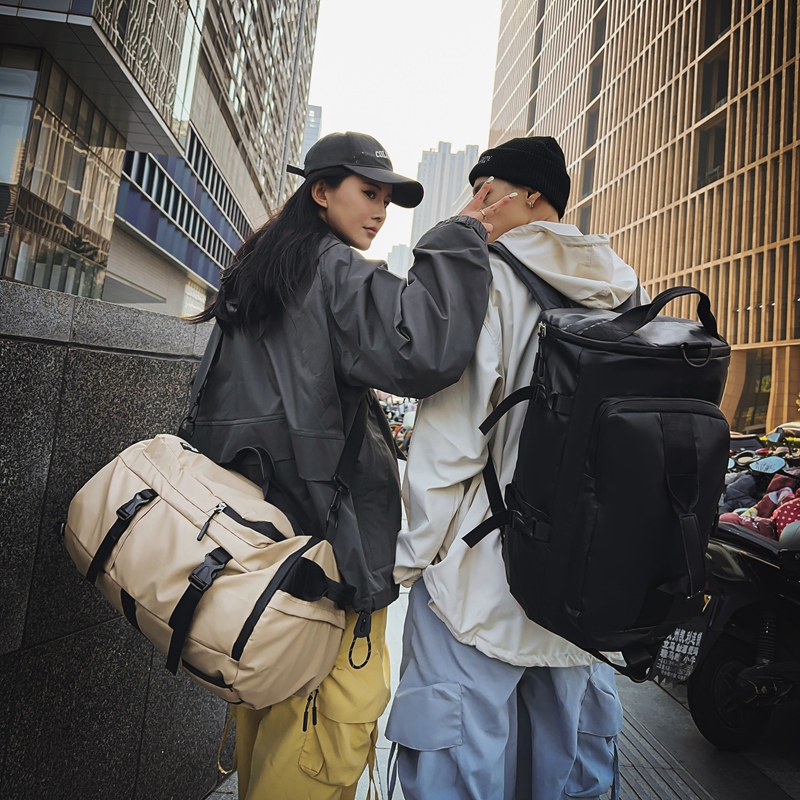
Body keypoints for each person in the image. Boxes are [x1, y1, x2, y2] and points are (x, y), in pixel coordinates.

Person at [187, 131, 515, 800]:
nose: (380, 211)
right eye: (369, 193)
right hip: (326, 561)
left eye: (389, 201)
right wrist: (460, 238)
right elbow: (421, 347)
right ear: (321, 191)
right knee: (330, 735)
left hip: (260, 552)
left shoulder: (259, 274)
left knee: (272, 727)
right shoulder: (332, 270)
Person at [387, 136, 643, 800]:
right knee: (567, 779)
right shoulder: (624, 288)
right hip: (581, 589)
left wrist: (404, 561)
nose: (475, 205)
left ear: (533, 194)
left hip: (479, 580)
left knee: (458, 775)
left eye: (486, 189)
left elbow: (453, 441)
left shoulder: (492, 278)